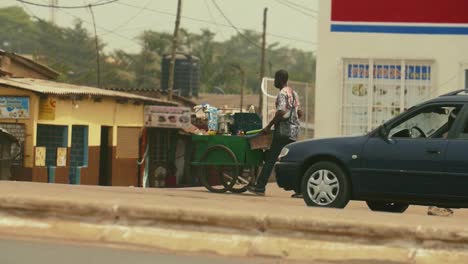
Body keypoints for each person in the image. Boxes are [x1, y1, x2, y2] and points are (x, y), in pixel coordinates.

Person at [247, 70, 303, 196]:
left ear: (280, 79)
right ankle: (300, 190)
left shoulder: (282, 94)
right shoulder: (294, 93)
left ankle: (260, 187)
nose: (274, 81)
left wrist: (269, 126)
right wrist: (293, 121)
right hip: (293, 132)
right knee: (292, 160)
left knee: (271, 159)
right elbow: (300, 113)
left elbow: (281, 112)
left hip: (283, 131)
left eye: (275, 78)